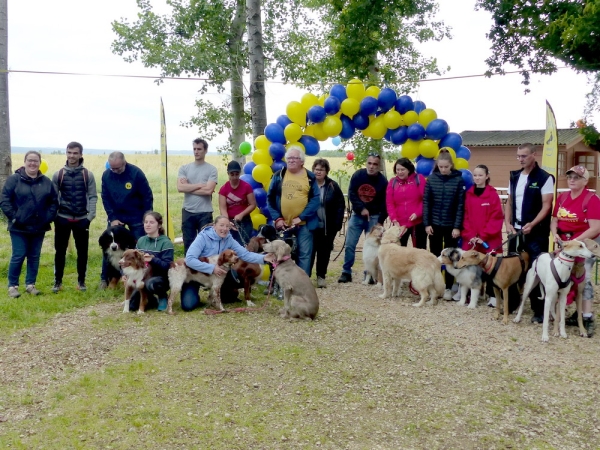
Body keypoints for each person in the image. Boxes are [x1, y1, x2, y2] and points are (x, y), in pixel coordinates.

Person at [180, 215, 274, 311]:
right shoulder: (202, 237)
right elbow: (190, 259)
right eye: (221, 225)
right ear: (214, 226)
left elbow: (245, 254)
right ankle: (198, 292)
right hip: (195, 274)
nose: (224, 229)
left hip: (218, 274)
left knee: (229, 298)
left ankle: (215, 295)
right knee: (188, 305)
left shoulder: (229, 238)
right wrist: (212, 268)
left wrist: (264, 258)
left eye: (227, 226)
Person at [504, 143, 554, 323]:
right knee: (511, 266)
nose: (520, 159)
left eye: (524, 156)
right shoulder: (514, 176)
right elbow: (509, 201)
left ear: (534, 154)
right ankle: (512, 302)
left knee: (536, 269)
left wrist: (532, 224)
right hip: (515, 231)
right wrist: (508, 222)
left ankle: (538, 309)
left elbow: (547, 205)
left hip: (535, 232)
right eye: (518, 156)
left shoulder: (544, 177)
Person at [550, 165, 600, 335]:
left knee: (583, 278)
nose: (572, 179)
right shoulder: (563, 197)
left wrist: (573, 242)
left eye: (577, 177)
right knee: (563, 275)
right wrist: (555, 234)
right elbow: (555, 219)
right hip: (567, 243)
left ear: (585, 181)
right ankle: (564, 312)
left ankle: (587, 316)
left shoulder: (592, 199)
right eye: (570, 176)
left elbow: (595, 228)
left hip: (585, 242)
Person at [0, 151, 58, 297]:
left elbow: (53, 202)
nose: (33, 163)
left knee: (34, 256)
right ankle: (12, 286)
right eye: (30, 160)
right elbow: (5, 200)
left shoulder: (46, 182)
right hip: (19, 227)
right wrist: (15, 218)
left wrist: (47, 218)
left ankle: (30, 285)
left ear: (40, 163)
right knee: (19, 255)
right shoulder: (14, 179)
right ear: (25, 162)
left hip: (39, 227)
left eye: (36, 161)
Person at [100, 151, 153, 289]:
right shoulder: (106, 175)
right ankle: (105, 279)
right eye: (112, 168)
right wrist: (112, 218)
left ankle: (141, 276)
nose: (115, 171)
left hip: (136, 215)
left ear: (124, 163)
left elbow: (147, 196)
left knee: (139, 246)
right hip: (116, 216)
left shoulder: (136, 173)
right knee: (108, 247)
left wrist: (146, 217)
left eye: (118, 168)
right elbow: (105, 198)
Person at [51, 141, 97, 293]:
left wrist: (90, 216)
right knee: (60, 251)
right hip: (62, 218)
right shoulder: (58, 174)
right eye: (69, 152)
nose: (72, 156)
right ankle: (57, 282)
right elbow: (53, 197)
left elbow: (92, 196)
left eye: (75, 153)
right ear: (66, 153)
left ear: (81, 154)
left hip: (82, 219)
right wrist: (55, 215)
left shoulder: (87, 174)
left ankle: (81, 282)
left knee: (82, 252)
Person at [266, 146, 320, 276]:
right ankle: (280, 283)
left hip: (304, 224)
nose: (291, 160)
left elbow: (315, 200)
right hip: (283, 225)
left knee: (304, 255)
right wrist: (277, 218)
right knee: (281, 254)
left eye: (294, 158)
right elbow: (270, 197)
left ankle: (302, 284)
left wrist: (301, 217)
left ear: (302, 161)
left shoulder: (310, 177)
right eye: (289, 158)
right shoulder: (279, 175)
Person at [338, 152, 388, 283]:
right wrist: (361, 208)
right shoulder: (358, 175)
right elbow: (352, 193)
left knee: (372, 247)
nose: (371, 166)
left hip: (374, 217)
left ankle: (370, 274)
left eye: (375, 164)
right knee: (350, 244)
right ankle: (346, 272)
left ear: (379, 166)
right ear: (366, 163)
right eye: (369, 163)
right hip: (357, 215)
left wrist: (380, 221)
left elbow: (385, 203)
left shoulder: (383, 181)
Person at [423, 149, 466, 300]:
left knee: (450, 257)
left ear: (451, 165)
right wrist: (427, 223)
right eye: (440, 167)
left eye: (446, 167)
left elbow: (460, 205)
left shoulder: (458, 180)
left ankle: (448, 287)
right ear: (437, 166)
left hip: (450, 225)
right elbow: (427, 202)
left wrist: (457, 226)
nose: (443, 170)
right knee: (435, 256)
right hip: (434, 224)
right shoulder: (431, 179)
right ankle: (435, 285)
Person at [461, 164, 504, 305]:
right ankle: (473, 293)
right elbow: (465, 216)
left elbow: (496, 217)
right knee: (470, 265)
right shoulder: (469, 194)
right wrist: (470, 235)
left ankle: (493, 295)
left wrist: (483, 236)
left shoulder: (492, 194)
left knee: (492, 266)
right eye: (475, 175)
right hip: (472, 239)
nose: (477, 178)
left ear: (487, 176)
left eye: (480, 175)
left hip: (489, 239)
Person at [309, 158, 345, 288]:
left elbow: (340, 205)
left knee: (324, 253)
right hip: (310, 226)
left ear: (326, 172)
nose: (318, 172)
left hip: (327, 227)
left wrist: (337, 224)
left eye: (321, 170)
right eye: (316, 169)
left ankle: (321, 277)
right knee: (310, 252)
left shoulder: (333, 186)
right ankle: (306, 277)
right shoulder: (307, 184)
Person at [128, 211, 175, 312]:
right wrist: (125, 274)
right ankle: (151, 299)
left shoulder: (166, 242)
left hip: (161, 278)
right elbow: (133, 260)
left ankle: (163, 296)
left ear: (159, 225)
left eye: (151, 222)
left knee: (151, 283)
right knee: (132, 307)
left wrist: (153, 259)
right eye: (146, 222)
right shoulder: (141, 241)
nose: (148, 225)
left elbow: (168, 266)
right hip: (142, 276)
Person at [177, 138, 218, 253]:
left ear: (205, 150)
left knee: (206, 244)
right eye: (194, 149)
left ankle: (204, 269)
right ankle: (190, 269)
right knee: (188, 244)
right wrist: (200, 185)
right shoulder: (184, 168)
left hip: (205, 213)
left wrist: (188, 187)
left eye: (199, 149)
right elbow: (180, 188)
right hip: (188, 211)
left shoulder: (212, 169)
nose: (196, 151)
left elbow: (209, 190)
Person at [386, 157, 427, 249]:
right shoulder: (393, 182)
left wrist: (417, 213)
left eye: (402, 169)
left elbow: (425, 199)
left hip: (417, 222)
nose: (400, 172)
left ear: (409, 169)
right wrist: (394, 219)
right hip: (399, 223)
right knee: (399, 250)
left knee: (419, 250)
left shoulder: (419, 179)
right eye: (398, 170)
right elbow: (389, 202)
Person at [219, 160, 256, 246]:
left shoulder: (246, 187)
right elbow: (223, 208)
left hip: (244, 220)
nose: (235, 177)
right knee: (230, 246)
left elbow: (252, 204)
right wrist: (227, 221)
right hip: (230, 221)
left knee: (243, 245)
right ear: (228, 174)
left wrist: (241, 214)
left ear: (239, 173)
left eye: (237, 174)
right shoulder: (224, 189)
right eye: (232, 174)